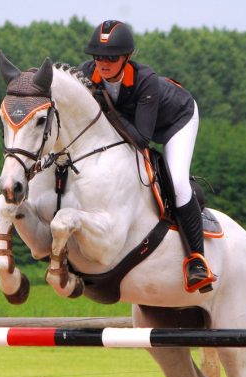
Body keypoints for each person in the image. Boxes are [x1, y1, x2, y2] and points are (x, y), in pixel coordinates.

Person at [79, 20, 215, 293]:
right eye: (98, 57)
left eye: (111, 58)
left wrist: (106, 108)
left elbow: (142, 138)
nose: (102, 64)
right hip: (136, 125)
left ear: (126, 58)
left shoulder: (145, 81)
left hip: (177, 120)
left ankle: (196, 260)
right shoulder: (86, 74)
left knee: (176, 182)